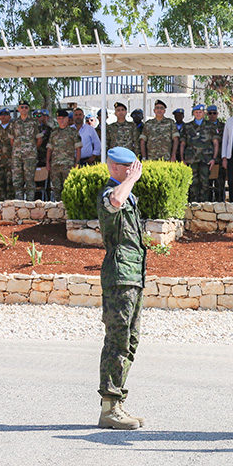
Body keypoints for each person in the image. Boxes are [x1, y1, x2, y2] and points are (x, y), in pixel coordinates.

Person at [96, 148, 147, 430]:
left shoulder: (130, 197)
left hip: (134, 276)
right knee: (117, 341)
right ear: (114, 168)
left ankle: (118, 403)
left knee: (130, 342)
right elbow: (115, 200)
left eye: (134, 168)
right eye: (127, 168)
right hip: (119, 277)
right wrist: (130, 181)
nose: (133, 171)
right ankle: (109, 407)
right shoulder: (111, 193)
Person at [180, 104, 219, 203]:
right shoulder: (187, 126)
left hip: (205, 159)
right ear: (193, 113)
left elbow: (215, 143)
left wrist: (214, 158)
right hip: (191, 159)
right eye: (196, 112)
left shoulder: (211, 126)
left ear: (204, 113)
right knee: (192, 183)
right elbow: (183, 143)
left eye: (200, 112)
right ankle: (193, 205)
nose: (198, 114)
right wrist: (182, 159)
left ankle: (204, 205)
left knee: (205, 183)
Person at [46, 108, 82, 201]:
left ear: (67, 119)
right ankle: (58, 210)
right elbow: (49, 148)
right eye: (59, 118)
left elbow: (78, 148)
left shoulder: (72, 132)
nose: (61, 120)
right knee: (56, 189)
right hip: (55, 165)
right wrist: (47, 162)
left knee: (68, 188)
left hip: (68, 165)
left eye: (63, 118)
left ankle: (67, 209)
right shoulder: (54, 132)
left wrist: (77, 163)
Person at [9, 102, 40, 201]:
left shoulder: (34, 122)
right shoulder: (14, 123)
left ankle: (30, 202)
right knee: (17, 180)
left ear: (28, 109)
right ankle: (19, 202)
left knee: (30, 179)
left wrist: (32, 149)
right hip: (17, 156)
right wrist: (17, 149)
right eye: (21, 107)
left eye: (26, 107)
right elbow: (11, 140)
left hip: (30, 156)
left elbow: (39, 139)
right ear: (18, 109)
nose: (24, 109)